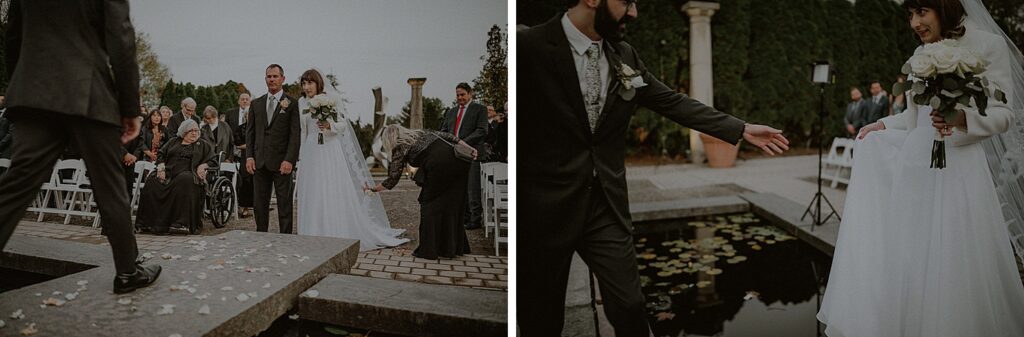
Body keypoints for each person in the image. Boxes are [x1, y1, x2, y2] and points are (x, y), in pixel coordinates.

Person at [518, 1, 791, 335]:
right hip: (544, 210)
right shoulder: (528, 48)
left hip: (604, 206)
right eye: (626, 2)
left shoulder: (624, 55)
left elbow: (671, 102)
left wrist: (739, 128)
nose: (633, 12)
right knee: (540, 319)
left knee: (631, 307)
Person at [818, 0, 1024, 336]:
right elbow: (915, 117)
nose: (915, 22)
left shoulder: (989, 45)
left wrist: (961, 120)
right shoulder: (923, 51)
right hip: (918, 169)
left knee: (955, 259)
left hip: (960, 168)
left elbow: (1004, 114)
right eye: (910, 14)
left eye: (922, 12)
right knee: (912, 256)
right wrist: (883, 125)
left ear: (944, 6)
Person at [0, 0, 160, 293]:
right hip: (87, 92)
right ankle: (127, 270)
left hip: (34, 91)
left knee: (15, 186)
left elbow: (13, 35)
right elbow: (121, 39)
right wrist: (129, 108)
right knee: (110, 186)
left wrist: (21, 87)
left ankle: (128, 268)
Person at [295, 69, 408, 251]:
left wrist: (329, 125)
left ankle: (332, 231)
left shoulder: (331, 98)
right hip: (311, 149)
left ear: (318, 83)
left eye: (310, 83)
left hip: (329, 150)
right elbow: (303, 130)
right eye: (304, 83)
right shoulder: (301, 102)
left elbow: (342, 125)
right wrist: (301, 155)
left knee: (330, 189)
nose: (306, 87)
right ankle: (312, 232)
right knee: (313, 189)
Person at [366, 125, 476, 259]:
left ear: (389, 139)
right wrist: (468, 148)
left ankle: (429, 250)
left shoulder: (400, 147)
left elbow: (393, 178)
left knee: (429, 206)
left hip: (438, 166)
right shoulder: (422, 133)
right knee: (452, 204)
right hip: (459, 162)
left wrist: (373, 188)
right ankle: (454, 248)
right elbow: (449, 137)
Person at [246, 64, 301, 234]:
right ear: (265, 79)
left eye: (275, 76)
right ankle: (261, 235)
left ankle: (285, 237)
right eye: (269, 76)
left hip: (281, 162)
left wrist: (289, 159)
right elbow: (250, 133)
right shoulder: (256, 104)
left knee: (284, 203)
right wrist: (249, 157)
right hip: (259, 161)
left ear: (283, 79)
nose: (272, 79)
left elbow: (295, 135)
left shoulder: (292, 104)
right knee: (259, 204)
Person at [136, 120, 216, 235]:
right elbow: (161, 154)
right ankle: (148, 223)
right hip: (168, 171)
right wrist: (161, 167)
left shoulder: (203, 144)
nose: (194, 133)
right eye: (191, 131)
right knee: (152, 181)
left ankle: (181, 223)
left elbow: (213, 160)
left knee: (184, 180)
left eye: (196, 131)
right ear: (184, 132)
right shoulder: (174, 141)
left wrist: (204, 165)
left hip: (188, 172)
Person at [439, 83, 488, 230]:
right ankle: (463, 217)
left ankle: (475, 219)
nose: (459, 97)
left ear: (470, 93)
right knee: (458, 187)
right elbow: (444, 130)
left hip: (473, 153)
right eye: (457, 95)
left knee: (472, 188)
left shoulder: (480, 109)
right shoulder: (451, 112)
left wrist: (462, 142)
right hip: (455, 154)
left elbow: (482, 130)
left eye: (462, 94)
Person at [227, 94, 254, 217]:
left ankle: (250, 205)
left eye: (246, 99)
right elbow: (234, 140)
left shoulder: (256, 126)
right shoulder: (237, 123)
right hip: (237, 153)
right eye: (242, 99)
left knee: (250, 180)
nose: (244, 101)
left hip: (252, 155)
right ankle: (237, 204)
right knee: (240, 179)